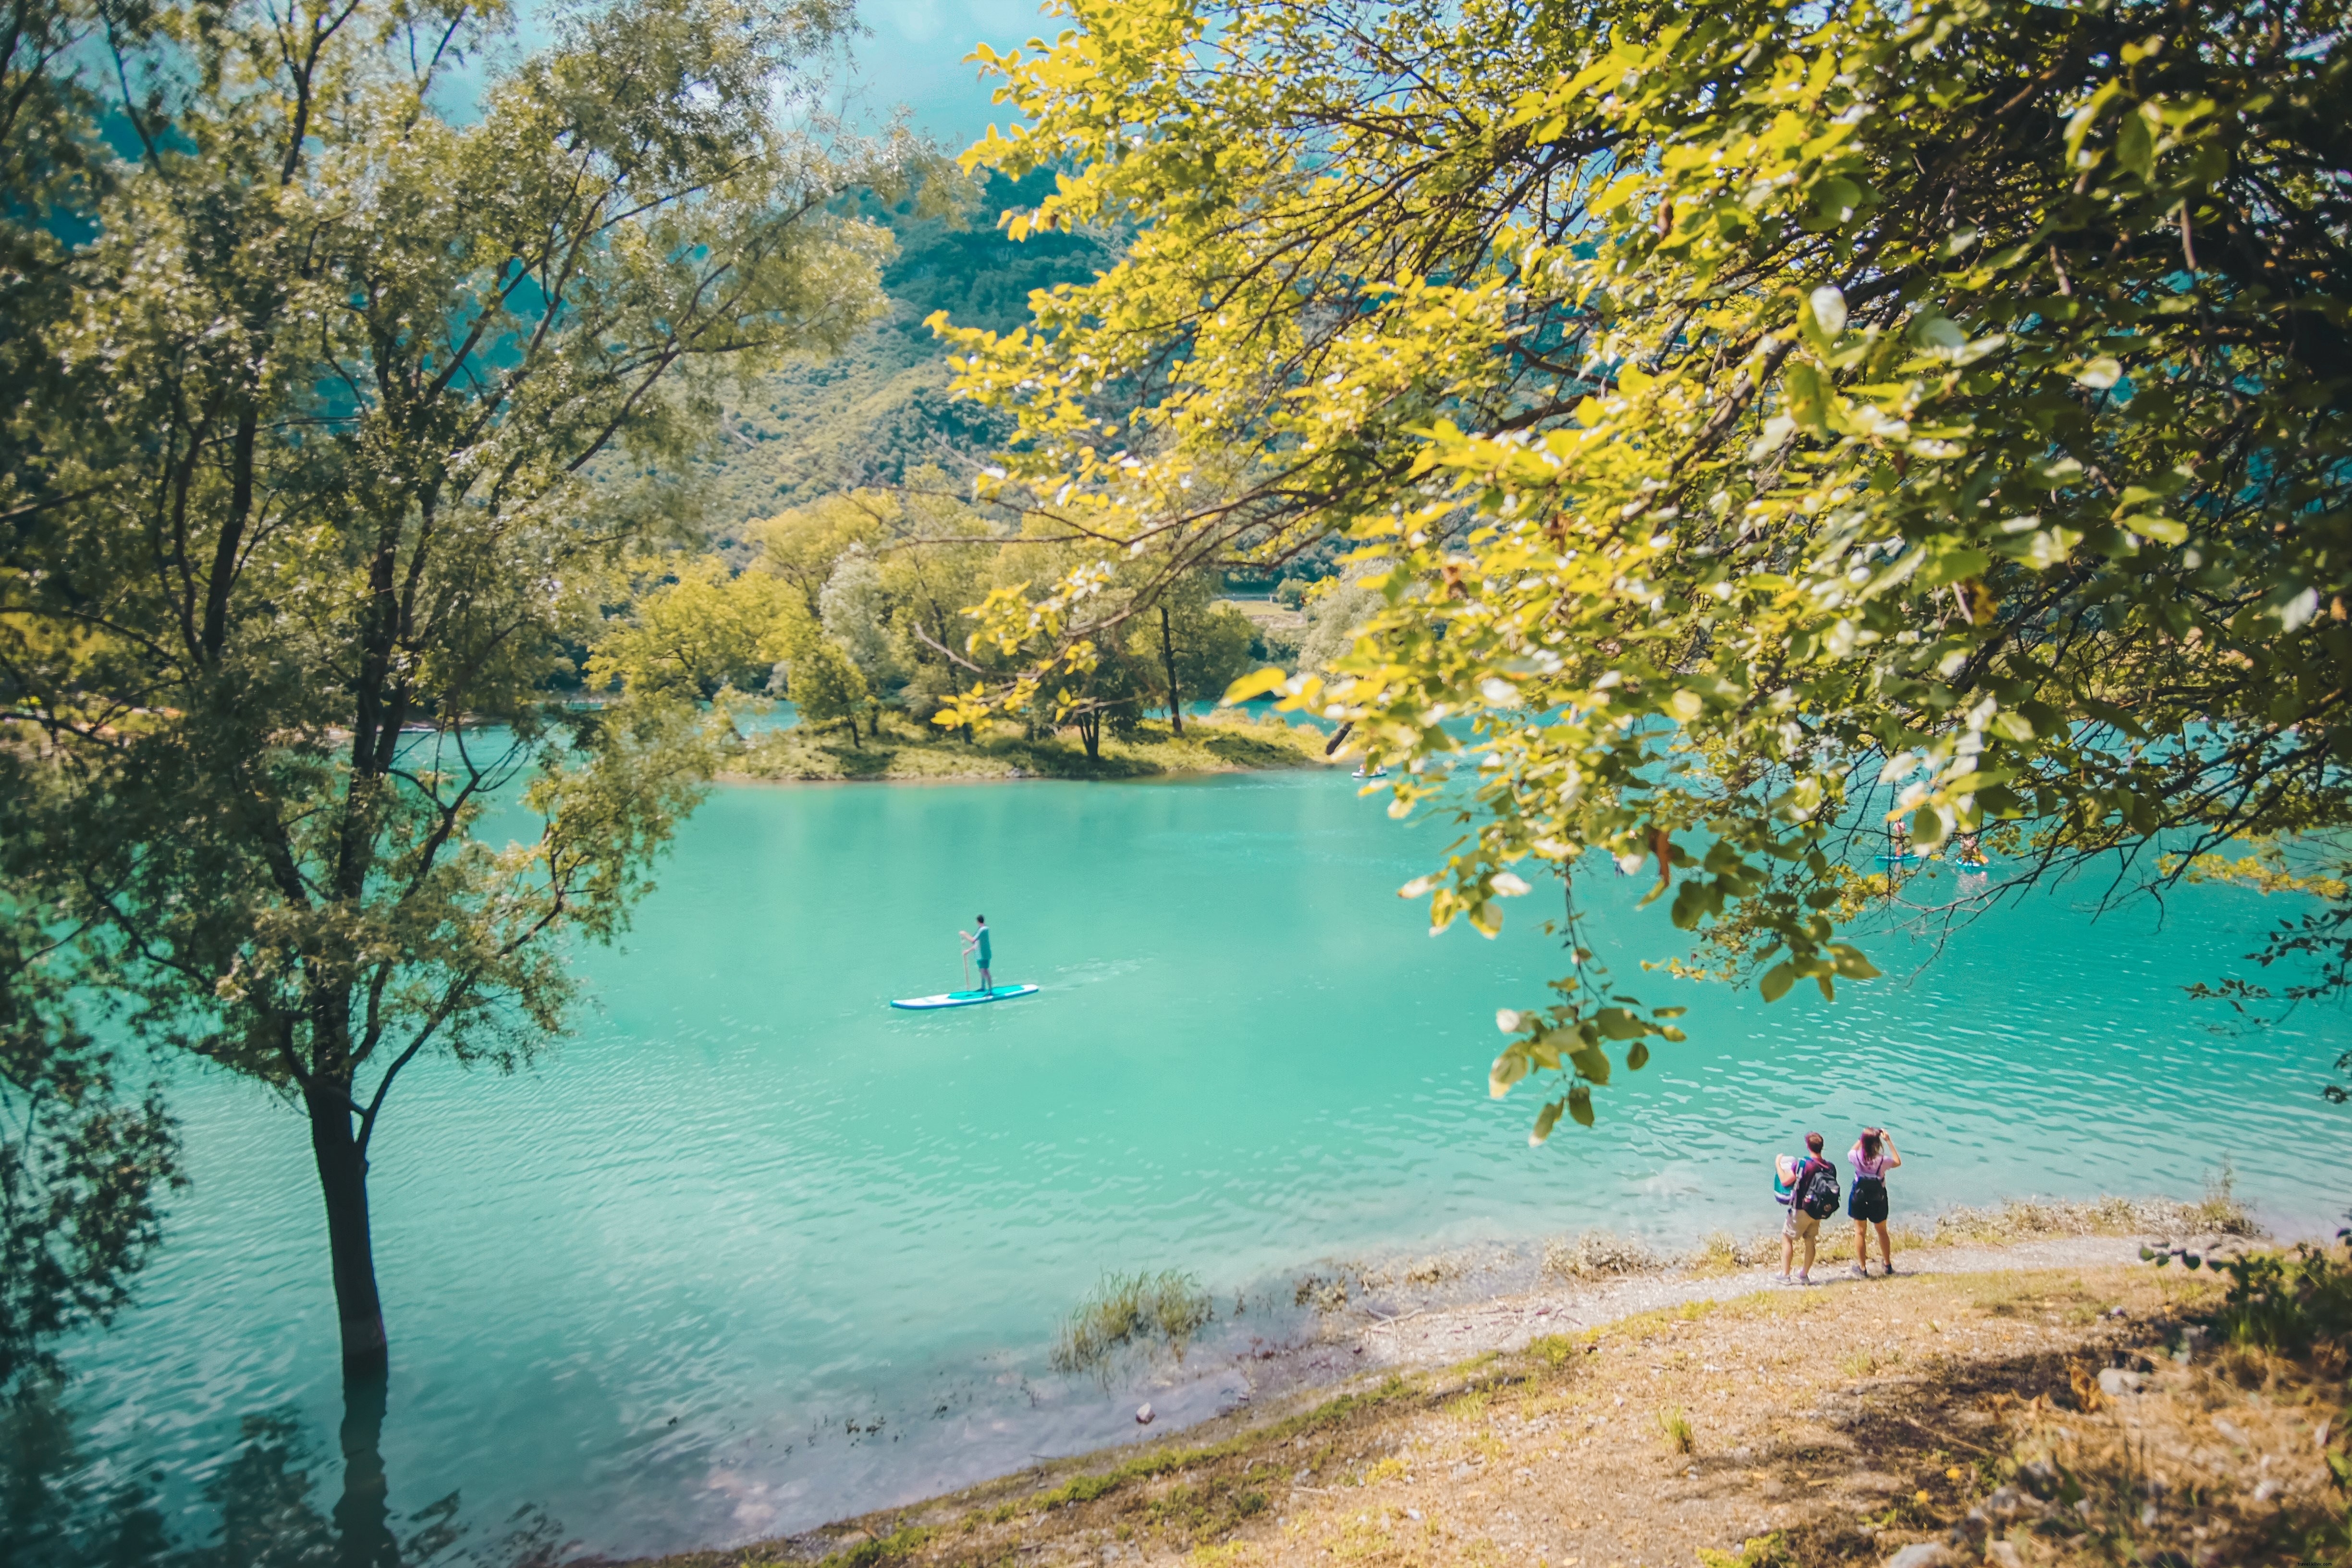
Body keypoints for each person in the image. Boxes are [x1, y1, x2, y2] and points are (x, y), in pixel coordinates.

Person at [1776, 1132, 1836, 1285]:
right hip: (1818, 1210)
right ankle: (1804, 1274)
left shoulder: (1803, 1164)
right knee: (1810, 1241)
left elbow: (1784, 1181)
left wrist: (1778, 1164)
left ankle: (1786, 1275)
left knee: (1787, 1238)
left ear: (1808, 1146)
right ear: (1822, 1147)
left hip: (1802, 1208)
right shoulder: (1830, 1167)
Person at [1848, 1126, 1903, 1277]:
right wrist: (1889, 1141)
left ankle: (1863, 1268)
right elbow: (1898, 1162)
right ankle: (1888, 1264)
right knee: (1882, 1231)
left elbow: (1851, 1151)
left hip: (1859, 1196)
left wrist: (1861, 1139)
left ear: (1863, 1142)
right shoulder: (1882, 1161)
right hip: (1878, 1198)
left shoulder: (1855, 1157)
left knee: (1859, 1232)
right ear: (1877, 1143)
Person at [959, 916, 993, 992]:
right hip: (980, 955)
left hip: (984, 954)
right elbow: (977, 944)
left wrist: (965, 934)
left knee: (985, 971)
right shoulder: (980, 930)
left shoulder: (984, 929)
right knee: (981, 970)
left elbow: (973, 940)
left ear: (978, 922)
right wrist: (968, 951)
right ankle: (983, 987)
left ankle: (990, 990)